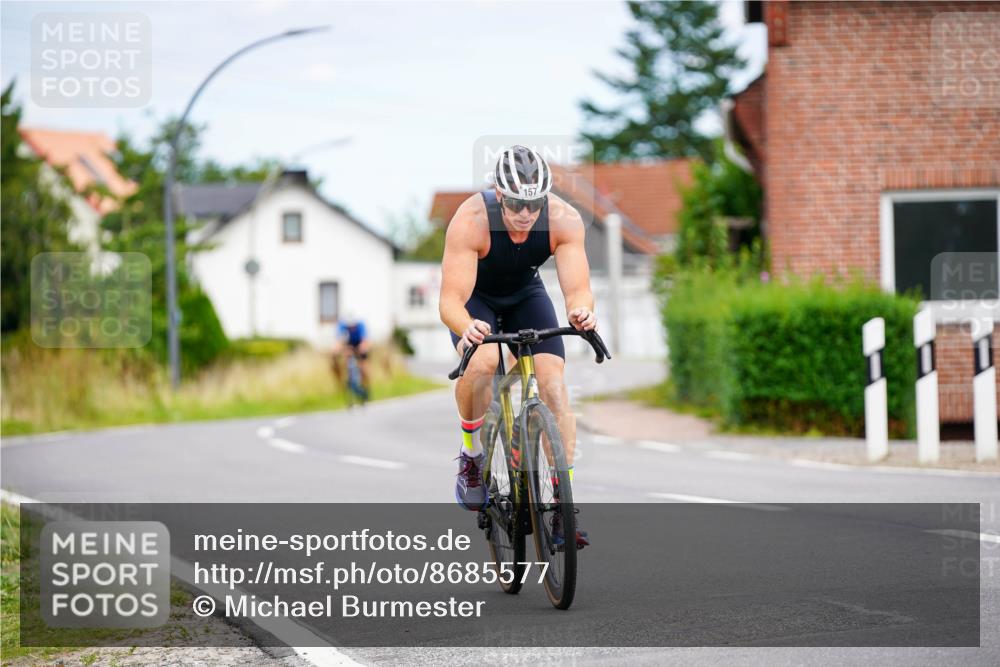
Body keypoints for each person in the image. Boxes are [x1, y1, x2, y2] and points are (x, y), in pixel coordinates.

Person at [439, 145, 596, 549]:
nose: (525, 215)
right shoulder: (471, 219)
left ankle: (563, 504)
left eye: (534, 205)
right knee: (484, 361)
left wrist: (581, 313)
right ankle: (472, 457)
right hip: (475, 300)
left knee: (553, 385)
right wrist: (466, 326)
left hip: (525, 295)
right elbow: (450, 302)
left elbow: (578, 290)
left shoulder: (564, 220)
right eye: (515, 204)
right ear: (498, 193)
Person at [332, 312, 371, 400]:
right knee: (345, 356)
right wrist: (337, 350)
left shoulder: (361, 325)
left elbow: (364, 341)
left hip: (359, 343)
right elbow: (339, 342)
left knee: (363, 367)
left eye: (353, 326)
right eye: (349, 327)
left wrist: (362, 349)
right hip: (348, 344)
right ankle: (349, 379)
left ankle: (366, 387)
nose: (351, 328)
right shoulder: (341, 325)